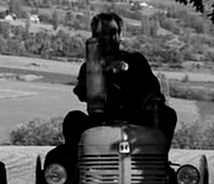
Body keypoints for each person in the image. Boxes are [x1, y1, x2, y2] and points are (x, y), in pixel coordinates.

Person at [63, 12, 177, 145]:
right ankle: (81, 162)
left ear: (120, 35)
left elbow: (154, 91)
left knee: (167, 114)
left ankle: (158, 160)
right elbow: (81, 93)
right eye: (102, 33)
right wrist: (105, 73)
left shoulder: (136, 60)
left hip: (137, 119)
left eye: (113, 32)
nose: (108, 38)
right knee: (73, 119)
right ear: (94, 37)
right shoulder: (88, 67)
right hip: (100, 122)